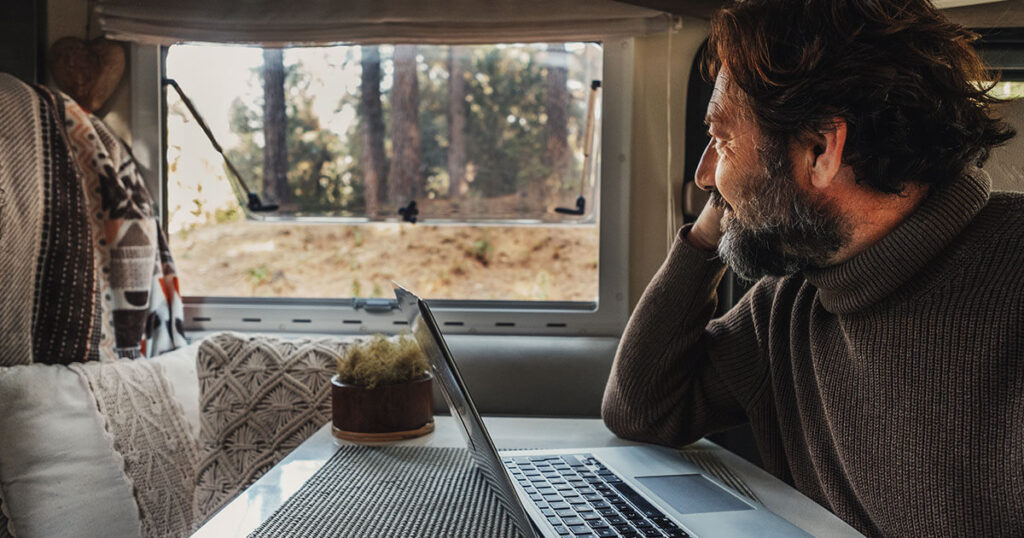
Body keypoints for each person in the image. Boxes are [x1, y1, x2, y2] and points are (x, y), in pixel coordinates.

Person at [601, 1, 1024, 535]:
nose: (706, 174)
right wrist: (713, 226)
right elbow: (642, 409)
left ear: (822, 149)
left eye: (722, 140)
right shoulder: (791, 302)